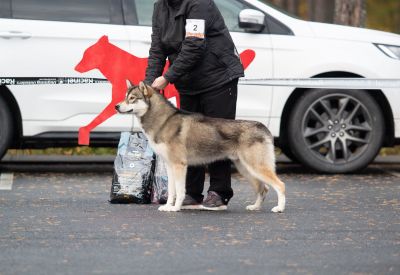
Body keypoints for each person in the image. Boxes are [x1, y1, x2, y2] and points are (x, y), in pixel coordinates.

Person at [144, 0, 244, 210]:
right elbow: (157, 49)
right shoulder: (159, 7)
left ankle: (219, 192)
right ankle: (191, 193)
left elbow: (194, 46)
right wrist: (147, 85)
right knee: (187, 139)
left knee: (218, 135)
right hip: (188, 82)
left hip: (218, 77)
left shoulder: (199, 4)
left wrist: (168, 77)